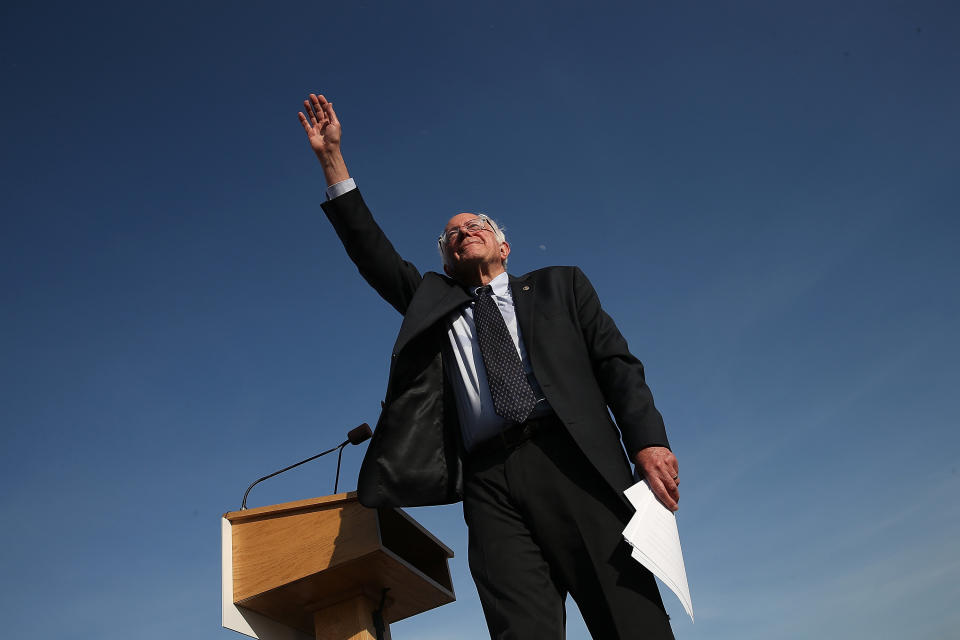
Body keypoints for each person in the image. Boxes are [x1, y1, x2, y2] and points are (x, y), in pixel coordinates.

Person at [298, 93, 680, 639]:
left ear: (504, 244)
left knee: (629, 618)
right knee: (519, 629)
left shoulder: (561, 286)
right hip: (488, 482)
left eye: (475, 223)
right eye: (451, 234)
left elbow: (616, 364)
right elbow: (369, 249)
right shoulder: (436, 302)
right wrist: (332, 158)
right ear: (447, 259)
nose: (462, 231)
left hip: (576, 461)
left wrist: (647, 439)